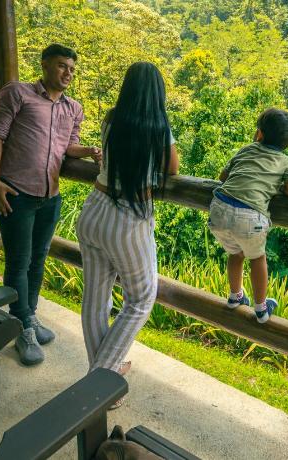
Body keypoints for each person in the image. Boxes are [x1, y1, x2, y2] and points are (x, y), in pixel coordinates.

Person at [0, 43, 101, 365]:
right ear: (46, 64)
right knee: (18, 263)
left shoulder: (73, 108)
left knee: (38, 261)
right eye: (63, 66)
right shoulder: (17, 94)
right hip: (16, 194)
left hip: (50, 197)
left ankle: (30, 316)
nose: (68, 73)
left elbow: (69, 147)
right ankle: (20, 325)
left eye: (73, 69)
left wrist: (90, 151)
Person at [76, 62, 179, 408]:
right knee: (141, 299)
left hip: (93, 209)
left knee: (95, 298)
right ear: (157, 93)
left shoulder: (111, 119)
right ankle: (100, 381)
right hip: (127, 218)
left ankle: (105, 369)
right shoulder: (158, 128)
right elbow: (172, 169)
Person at [208, 108, 288, 323]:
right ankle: (261, 309)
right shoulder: (287, 162)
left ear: (258, 134)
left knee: (236, 254)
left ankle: (235, 297)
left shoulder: (246, 150)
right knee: (257, 258)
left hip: (219, 209)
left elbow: (223, 177)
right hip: (250, 217)